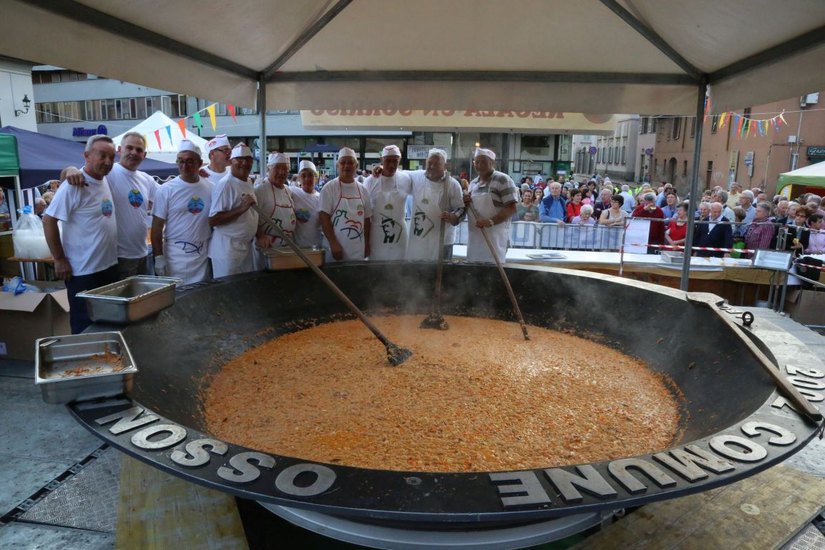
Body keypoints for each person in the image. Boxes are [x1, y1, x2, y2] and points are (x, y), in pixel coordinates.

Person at [42, 135, 118, 333]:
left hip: (107, 267)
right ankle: (83, 363)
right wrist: (59, 259)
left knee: (107, 324)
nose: (108, 162)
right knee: (85, 327)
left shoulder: (104, 180)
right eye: (102, 155)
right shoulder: (73, 185)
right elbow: (49, 220)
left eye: (111, 156)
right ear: (87, 155)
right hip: (84, 271)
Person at [151, 140, 213, 284]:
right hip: (174, 257)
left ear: (200, 163)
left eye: (190, 161)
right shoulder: (166, 190)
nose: (184, 166)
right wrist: (159, 257)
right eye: (181, 161)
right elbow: (156, 228)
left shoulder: (211, 188)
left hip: (201, 256)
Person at [208, 143, 258, 278]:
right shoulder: (225, 184)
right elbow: (213, 220)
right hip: (227, 250)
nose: (244, 163)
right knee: (227, 292)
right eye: (239, 159)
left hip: (245, 249)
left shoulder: (248, 181)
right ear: (231, 161)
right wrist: (241, 209)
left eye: (248, 159)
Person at [406, 148, 464, 261]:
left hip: (443, 240)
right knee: (416, 273)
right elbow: (396, 175)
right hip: (419, 238)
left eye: (437, 164)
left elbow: (461, 209)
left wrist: (452, 216)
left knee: (442, 275)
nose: (432, 166)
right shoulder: (416, 177)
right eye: (429, 163)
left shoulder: (452, 184)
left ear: (445, 166)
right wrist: (381, 170)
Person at [463, 148, 517, 263]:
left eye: (483, 162)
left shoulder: (503, 180)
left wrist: (491, 221)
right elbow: (470, 208)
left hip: (495, 237)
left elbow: (512, 208)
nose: (479, 165)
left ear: (492, 163)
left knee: (493, 273)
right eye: (476, 162)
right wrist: (466, 202)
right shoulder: (473, 184)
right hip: (476, 238)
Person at [319, 147, 371, 262]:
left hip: (357, 249)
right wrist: (333, 243)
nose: (347, 166)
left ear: (356, 166)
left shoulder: (363, 190)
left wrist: (367, 243)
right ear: (337, 165)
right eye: (343, 162)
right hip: (335, 249)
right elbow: (324, 217)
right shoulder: (329, 188)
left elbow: (367, 220)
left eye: (350, 162)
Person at [364, 145, 412, 261]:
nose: (391, 165)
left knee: (399, 268)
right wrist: (366, 242)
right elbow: (365, 214)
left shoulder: (406, 179)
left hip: (400, 233)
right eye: (387, 161)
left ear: (399, 161)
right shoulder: (370, 181)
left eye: (395, 161)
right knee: (377, 267)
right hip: (377, 234)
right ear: (381, 160)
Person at [254, 152, 297, 262]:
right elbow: (252, 218)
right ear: (269, 169)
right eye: (277, 168)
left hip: (287, 247)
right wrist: (260, 236)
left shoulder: (288, 190)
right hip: (268, 249)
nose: (281, 172)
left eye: (285, 169)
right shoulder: (261, 190)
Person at [292, 160, 323, 248]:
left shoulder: (321, 198)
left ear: (316, 178)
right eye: (303, 176)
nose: (307, 179)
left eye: (310, 175)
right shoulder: (292, 192)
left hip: (316, 247)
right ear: (299, 179)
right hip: (296, 248)